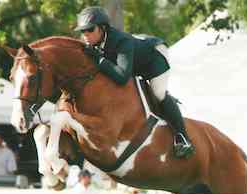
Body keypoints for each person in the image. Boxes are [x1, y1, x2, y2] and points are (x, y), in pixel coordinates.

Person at [75, 6, 195, 159]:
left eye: (90, 29)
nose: (85, 35)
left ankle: (183, 138)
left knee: (158, 94)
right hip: (136, 62)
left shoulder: (121, 41)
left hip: (154, 59)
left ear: (102, 28)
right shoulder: (92, 43)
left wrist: (99, 60)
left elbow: (122, 77)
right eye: (82, 31)